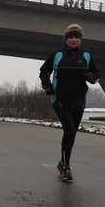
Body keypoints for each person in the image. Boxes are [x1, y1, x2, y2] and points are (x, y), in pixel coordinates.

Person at [39, 23, 100, 182]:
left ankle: (62, 163)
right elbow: (44, 71)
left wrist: (90, 77)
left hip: (79, 101)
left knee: (71, 134)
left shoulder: (86, 55)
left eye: (76, 37)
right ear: (66, 39)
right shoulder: (58, 54)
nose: (73, 40)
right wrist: (48, 86)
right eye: (70, 37)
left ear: (80, 39)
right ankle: (66, 167)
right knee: (70, 131)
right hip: (60, 99)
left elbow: (97, 74)